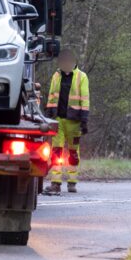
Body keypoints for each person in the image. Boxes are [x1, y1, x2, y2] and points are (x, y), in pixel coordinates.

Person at [43, 50, 90, 195]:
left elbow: (85, 99)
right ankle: (55, 183)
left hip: (74, 120)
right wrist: (48, 115)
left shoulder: (81, 77)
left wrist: (84, 120)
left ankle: (72, 182)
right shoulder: (56, 76)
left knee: (72, 152)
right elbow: (51, 96)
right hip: (58, 120)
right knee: (56, 151)